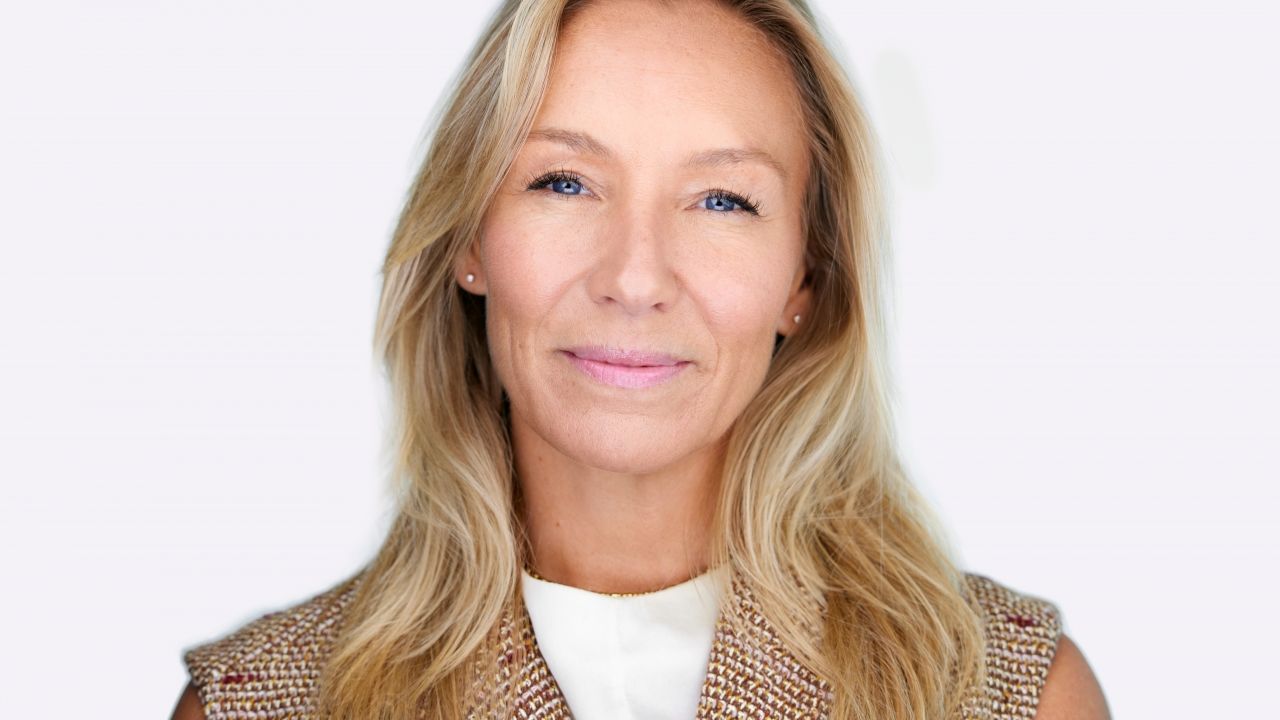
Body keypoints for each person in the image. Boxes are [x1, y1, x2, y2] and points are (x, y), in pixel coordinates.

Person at [171, 0, 1109, 718]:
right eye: (564, 182)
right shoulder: (264, 702)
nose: (634, 277)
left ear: (806, 277)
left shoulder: (1005, 692)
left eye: (723, 200)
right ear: (469, 238)